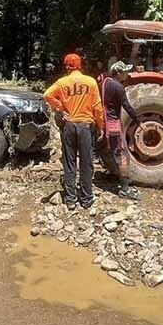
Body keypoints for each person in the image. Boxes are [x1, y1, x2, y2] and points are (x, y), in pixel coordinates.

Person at [44, 53, 104, 210]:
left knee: (69, 162)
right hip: (85, 126)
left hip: (69, 125)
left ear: (67, 66)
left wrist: (60, 107)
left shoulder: (62, 82)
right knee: (86, 163)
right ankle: (86, 198)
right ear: (80, 65)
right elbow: (97, 107)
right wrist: (101, 126)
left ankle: (70, 199)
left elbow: (47, 95)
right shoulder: (90, 82)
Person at [100, 60, 142, 201]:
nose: (127, 74)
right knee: (123, 155)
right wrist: (137, 121)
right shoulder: (118, 87)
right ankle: (125, 189)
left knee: (110, 150)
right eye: (125, 71)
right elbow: (127, 106)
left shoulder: (104, 83)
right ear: (119, 73)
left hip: (103, 121)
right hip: (113, 124)